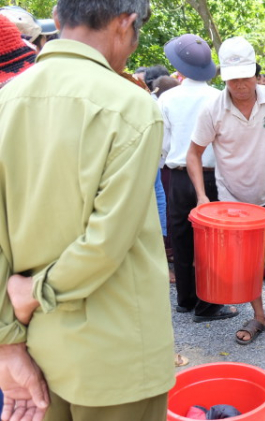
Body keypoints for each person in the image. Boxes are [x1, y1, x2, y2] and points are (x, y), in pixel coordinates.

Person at [0, 0, 175, 419]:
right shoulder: (131, 107)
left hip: (37, 349)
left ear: (57, 21)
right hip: (116, 355)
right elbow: (105, 243)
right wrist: (33, 293)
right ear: (126, 23)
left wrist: (7, 342)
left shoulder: (7, 101)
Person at [187, 36, 265, 345]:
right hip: (234, 197)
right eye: (232, 79)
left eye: (245, 76)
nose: (239, 84)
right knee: (250, 259)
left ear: (257, 74)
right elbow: (193, 154)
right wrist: (203, 197)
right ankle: (259, 316)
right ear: (224, 78)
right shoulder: (212, 108)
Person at [160, 33, 238, 322]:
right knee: (212, 241)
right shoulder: (219, 97)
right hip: (211, 177)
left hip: (178, 176)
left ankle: (185, 299)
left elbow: (163, 144)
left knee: (180, 236)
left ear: (179, 67)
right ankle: (208, 305)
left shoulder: (166, 98)